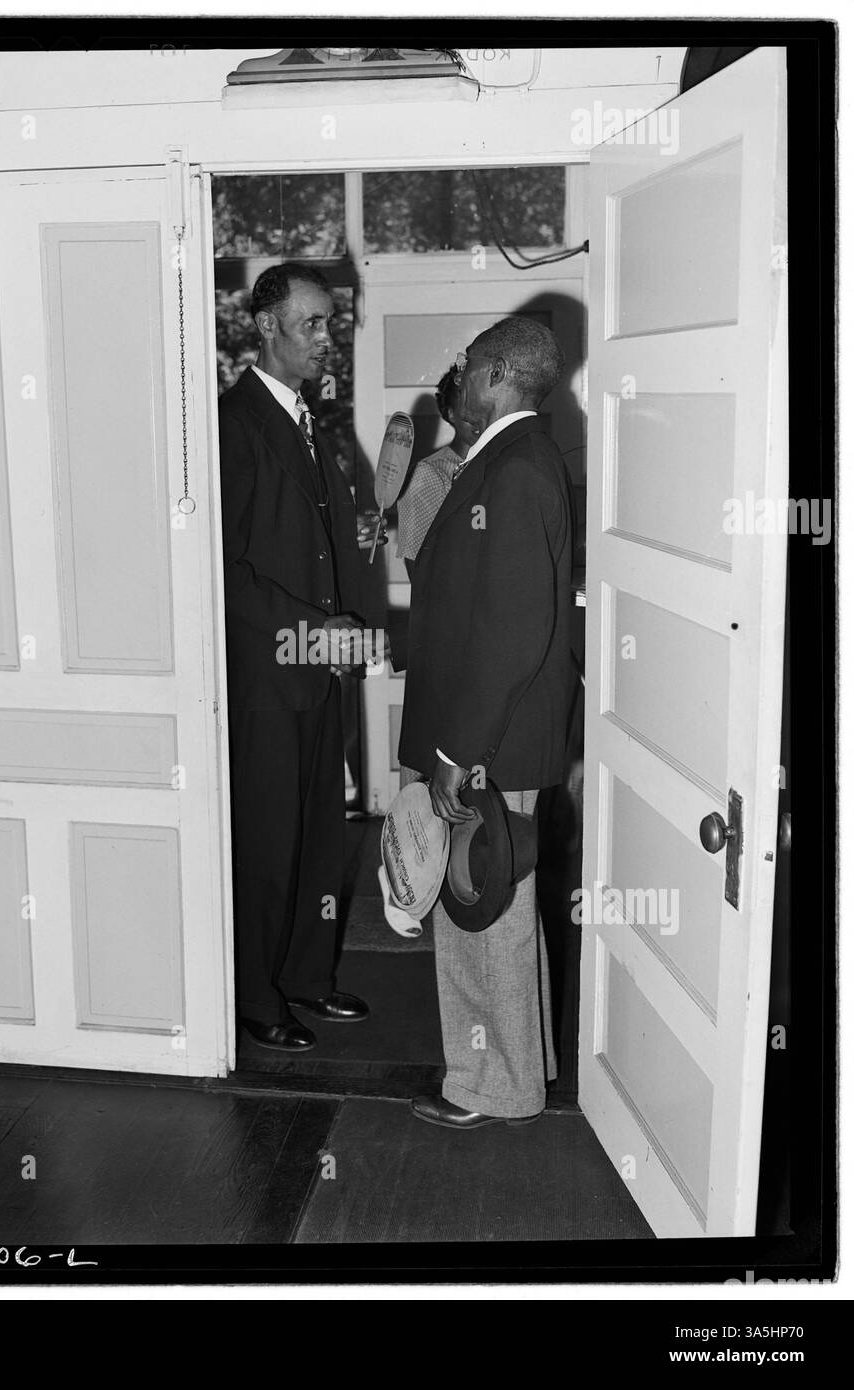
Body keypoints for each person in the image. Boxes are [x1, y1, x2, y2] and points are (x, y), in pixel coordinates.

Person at [393, 315, 575, 1127]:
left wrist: (456, 753)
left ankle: (493, 1087)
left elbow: (511, 632)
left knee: (482, 919)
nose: (457, 374)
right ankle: (511, 1072)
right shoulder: (506, 458)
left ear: (497, 373)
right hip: (487, 740)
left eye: (467, 364)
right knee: (493, 915)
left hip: (483, 746)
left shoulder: (517, 468)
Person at [218, 261, 374, 1053]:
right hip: (266, 680)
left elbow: (326, 550)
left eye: (330, 323)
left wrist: (355, 637)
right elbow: (226, 569)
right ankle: (254, 995)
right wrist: (318, 631)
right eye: (312, 323)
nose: (327, 339)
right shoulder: (232, 423)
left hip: (318, 674)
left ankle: (308, 976)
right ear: (266, 326)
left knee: (322, 836)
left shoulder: (312, 424)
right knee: (267, 844)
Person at [395, 367, 481, 568]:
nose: (478, 418)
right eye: (467, 409)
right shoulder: (428, 474)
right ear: (451, 414)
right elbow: (417, 563)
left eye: (483, 407)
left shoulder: (502, 464)